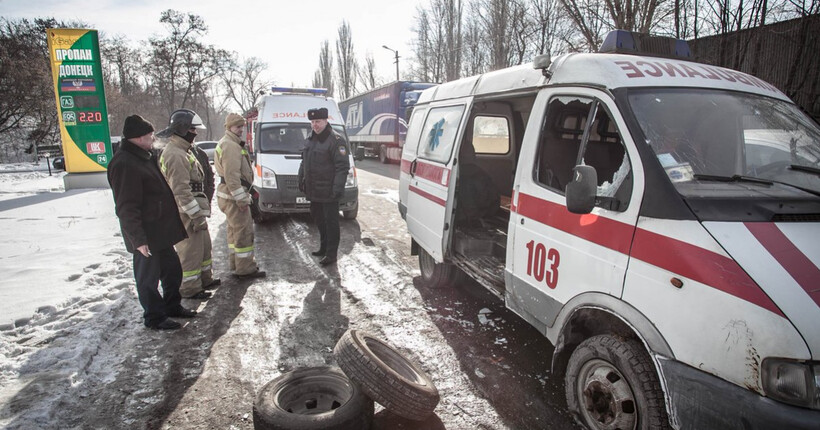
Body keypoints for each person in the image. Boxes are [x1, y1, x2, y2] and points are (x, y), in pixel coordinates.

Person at [107, 115, 196, 330]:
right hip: (145, 235)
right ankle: (154, 317)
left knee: (172, 270)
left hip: (160, 232)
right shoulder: (124, 163)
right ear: (137, 138)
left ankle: (172, 306)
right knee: (148, 279)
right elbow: (126, 207)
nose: (153, 138)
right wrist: (138, 239)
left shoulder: (143, 156)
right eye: (149, 135)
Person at [155, 109, 218, 299]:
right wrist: (195, 215)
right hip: (186, 213)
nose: (195, 133)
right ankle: (189, 288)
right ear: (182, 129)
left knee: (203, 247)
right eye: (192, 129)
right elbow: (180, 190)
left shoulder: (184, 151)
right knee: (190, 250)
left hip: (194, 210)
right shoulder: (175, 154)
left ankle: (204, 279)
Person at [214, 113, 266, 278]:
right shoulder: (230, 145)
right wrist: (241, 199)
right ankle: (245, 268)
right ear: (229, 127)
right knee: (243, 232)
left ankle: (236, 264)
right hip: (233, 197)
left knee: (233, 232)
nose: (241, 130)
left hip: (228, 196)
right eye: (238, 127)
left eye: (242, 126)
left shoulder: (228, 143)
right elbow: (232, 176)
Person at [298, 107, 350, 266]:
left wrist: (337, 189)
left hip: (329, 191)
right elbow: (304, 162)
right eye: (312, 122)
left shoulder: (336, 140)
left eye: (318, 121)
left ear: (326, 120)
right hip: (314, 190)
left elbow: (342, 167)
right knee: (319, 220)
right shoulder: (310, 138)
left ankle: (331, 254)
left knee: (331, 222)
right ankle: (323, 247)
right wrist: (301, 178)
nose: (315, 125)